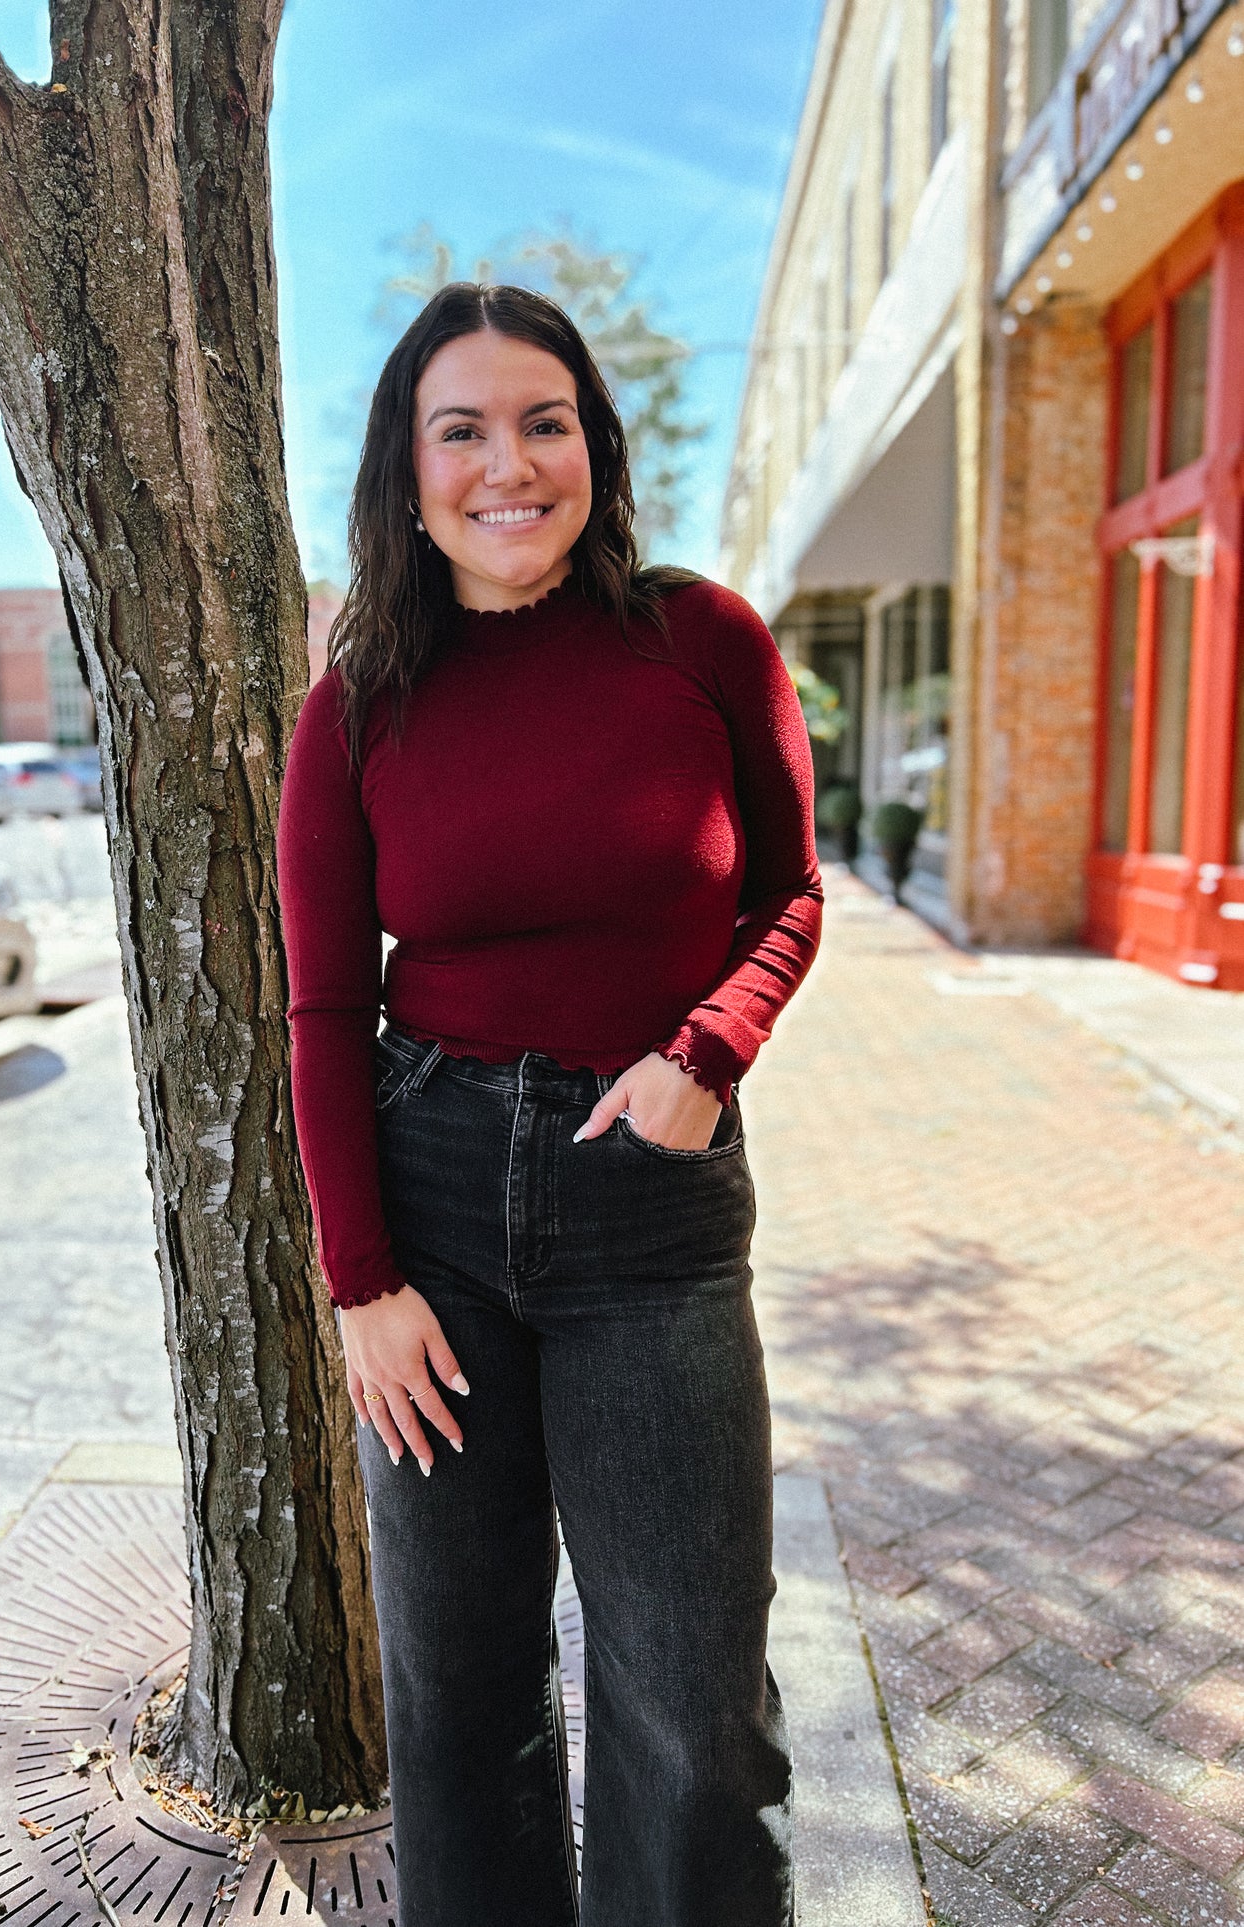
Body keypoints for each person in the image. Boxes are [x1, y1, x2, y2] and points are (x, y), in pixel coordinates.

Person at [278, 283, 823, 1927]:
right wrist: (360, 1286)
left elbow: (787, 895)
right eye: (462, 429)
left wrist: (705, 1054)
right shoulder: (357, 702)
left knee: (690, 1697)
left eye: (544, 421)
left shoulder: (701, 637)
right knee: (458, 1694)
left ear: (592, 441)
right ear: (408, 467)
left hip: (646, 1209)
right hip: (428, 1207)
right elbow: (320, 1004)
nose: (508, 464)